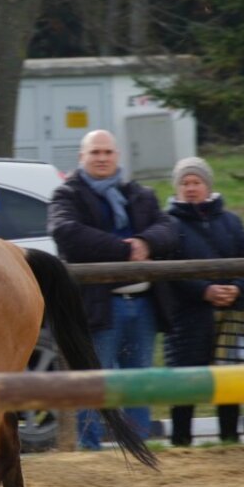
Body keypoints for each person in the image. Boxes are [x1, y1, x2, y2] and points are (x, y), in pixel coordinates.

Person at [47, 129, 176, 450]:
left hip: (142, 305)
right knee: (92, 382)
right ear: (82, 157)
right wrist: (123, 249)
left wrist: (146, 242)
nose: (102, 158)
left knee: (138, 384)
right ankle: (89, 452)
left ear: (118, 156)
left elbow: (169, 228)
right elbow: (66, 231)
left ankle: (137, 449)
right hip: (96, 307)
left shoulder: (140, 194)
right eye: (95, 153)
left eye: (107, 152)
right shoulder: (67, 195)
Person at [163, 157, 244, 446]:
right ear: (177, 188)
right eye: (185, 183)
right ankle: (181, 444)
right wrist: (204, 290)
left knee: (229, 383)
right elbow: (167, 268)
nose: (191, 188)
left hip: (230, 316)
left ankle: (230, 440)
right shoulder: (168, 224)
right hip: (186, 318)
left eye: (197, 182)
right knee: (184, 386)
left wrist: (239, 289)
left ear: (208, 185)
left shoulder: (231, 222)